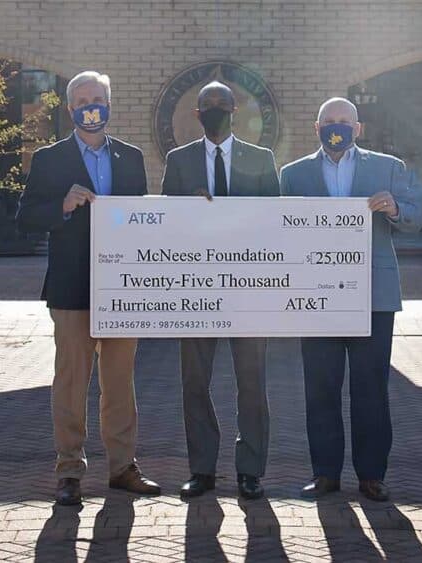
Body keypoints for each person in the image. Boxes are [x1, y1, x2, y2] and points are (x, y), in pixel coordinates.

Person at [16, 71, 160, 505]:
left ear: (109, 103)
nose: (91, 105)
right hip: (71, 286)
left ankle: (122, 467)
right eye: (83, 99)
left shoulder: (131, 158)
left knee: (119, 382)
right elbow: (25, 219)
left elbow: (145, 221)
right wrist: (61, 205)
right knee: (72, 381)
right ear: (69, 108)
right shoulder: (49, 159)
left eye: (98, 97)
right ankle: (69, 471)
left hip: (122, 288)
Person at [279, 97, 422, 502]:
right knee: (320, 388)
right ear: (317, 127)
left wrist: (395, 207)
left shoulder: (388, 168)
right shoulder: (292, 175)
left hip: (373, 298)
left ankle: (371, 475)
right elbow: (276, 229)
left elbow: (418, 214)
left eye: (344, 121)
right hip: (316, 297)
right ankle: (325, 474)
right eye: (329, 122)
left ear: (358, 128)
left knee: (370, 389)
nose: (336, 127)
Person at [161, 81, 280, 500]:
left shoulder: (261, 159)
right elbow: (165, 224)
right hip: (197, 288)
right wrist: (187, 211)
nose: (214, 110)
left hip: (248, 290)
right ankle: (202, 470)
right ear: (196, 114)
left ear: (235, 109)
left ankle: (251, 471)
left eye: (222, 105)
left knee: (252, 382)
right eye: (207, 105)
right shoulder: (178, 161)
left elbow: (277, 224)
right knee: (195, 381)